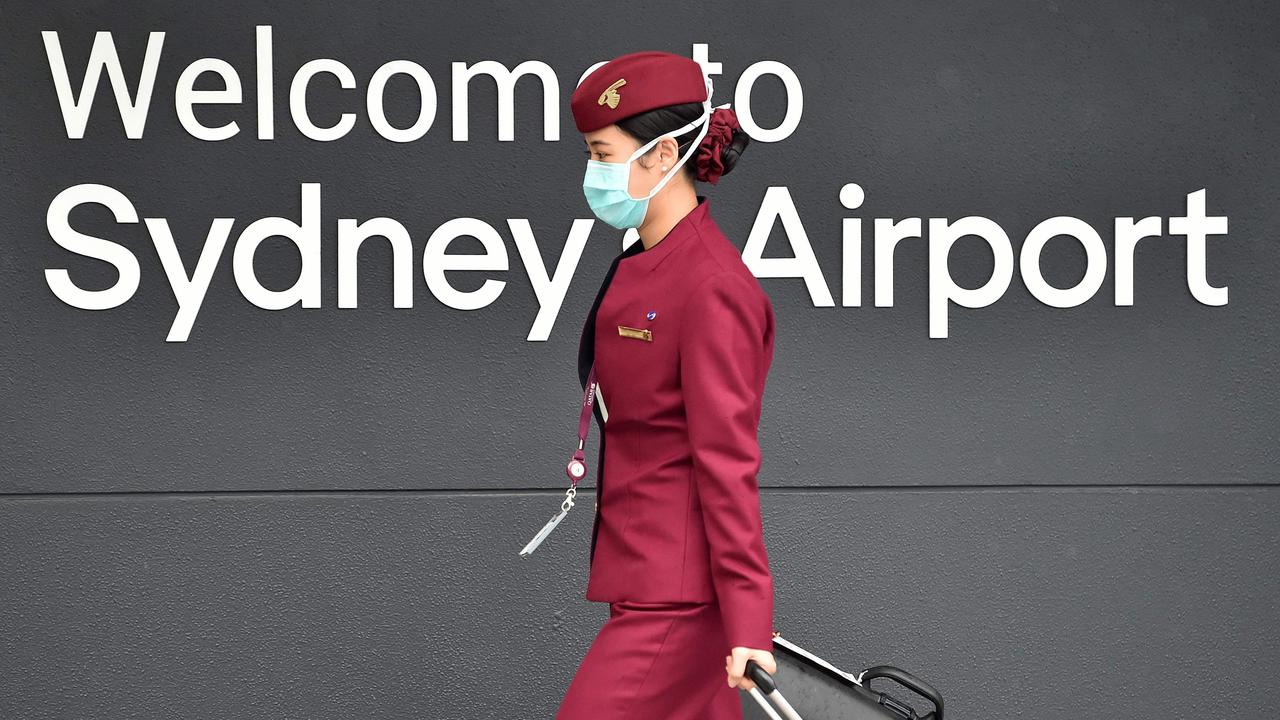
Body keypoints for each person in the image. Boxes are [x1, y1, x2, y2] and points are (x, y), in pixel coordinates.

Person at [555, 50, 779, 720]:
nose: (594, 173)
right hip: (644, 574)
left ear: (659, 155)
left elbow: (727, 462)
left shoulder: (711, 287)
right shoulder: (648, 260)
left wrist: (747, 624)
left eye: (602, 153)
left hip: (678, 601)